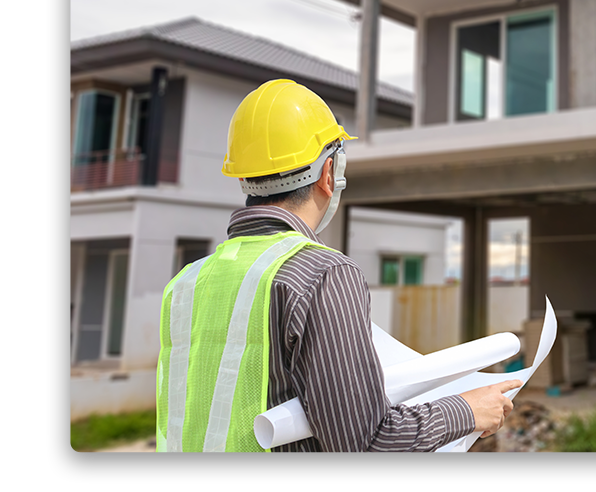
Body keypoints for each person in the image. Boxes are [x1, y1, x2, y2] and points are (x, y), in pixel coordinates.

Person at [156, 78, 520, 452]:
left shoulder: (187, 283)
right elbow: (365, 440)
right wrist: (468, 410)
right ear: (329, 173)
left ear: (244, 177)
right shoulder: (321, 274)